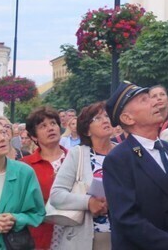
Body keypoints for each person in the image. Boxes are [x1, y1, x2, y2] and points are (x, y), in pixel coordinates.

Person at [103, 82, 168, 250]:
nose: (155, 102)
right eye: (144, 100)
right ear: (127, 118)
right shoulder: (118, 159)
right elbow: (127, 219)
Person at [49, 101, 115, 250]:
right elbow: (56, 195)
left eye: (106, 116)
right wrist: (88, 202)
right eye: (97, 118)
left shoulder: (122, 153)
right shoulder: (77, 154)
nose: (105, 120)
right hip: (85, 238)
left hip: (121, 236)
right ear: (87, 131)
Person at [0, 120, 45, 249]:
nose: (2, 139)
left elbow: (38, 213)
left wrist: (15, 218)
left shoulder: (25, 172)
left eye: (3, 133)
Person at [22, 106, 67, 250]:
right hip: (41, 236)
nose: (50, 128)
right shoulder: (25, 165)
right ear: (34, 137)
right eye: (43, 126)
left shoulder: (76, 158)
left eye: (53, 123)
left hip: (75, 232)